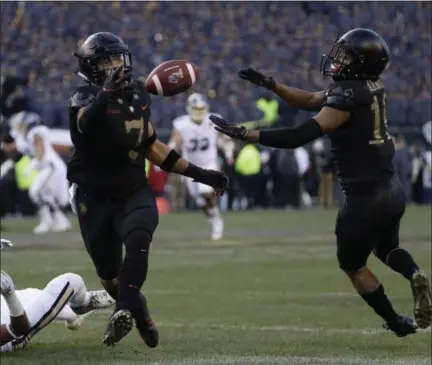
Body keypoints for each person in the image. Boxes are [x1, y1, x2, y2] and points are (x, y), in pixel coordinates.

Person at [210, 28, 432, 336]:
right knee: (387, 249)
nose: (338, 60)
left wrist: (246, 134)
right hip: (392, 190)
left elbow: (301, 135)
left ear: (361, 62)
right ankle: (415, 273)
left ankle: (396, 322)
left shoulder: (347, 97)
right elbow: (314, 99)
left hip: (363, 197)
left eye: (347, 56)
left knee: (353, 265)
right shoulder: (372, 85)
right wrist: (272, 85)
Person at [68, 32, 228, 347]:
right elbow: (85, 125)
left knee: (139, 237)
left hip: (131, 189)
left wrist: (201, 173)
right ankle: (139, 315)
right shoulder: (82, 97)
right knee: (111, 278)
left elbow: (152, 146)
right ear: (93, 66)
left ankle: (124, 310)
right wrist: (107, 95)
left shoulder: (138, 96)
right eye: (108, 60)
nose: (117, 64)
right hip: (93, 196)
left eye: (119, 58)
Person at [0, 238, 114, 353]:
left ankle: (73, 313)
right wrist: (9, 294)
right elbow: (19, 329)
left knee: (32, 293)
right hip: (12, 334)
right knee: (71, 281)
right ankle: (83, 304)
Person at [168, 93, 234, 240]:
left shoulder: (213, 119)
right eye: (196, 109)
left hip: (209, 163)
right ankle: (212, 217)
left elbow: (226, 138)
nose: (199, 112)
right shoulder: (181, 124)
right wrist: (169, 153)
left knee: (206, 192)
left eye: (201, 109)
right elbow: (175, 141)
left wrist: (229, 154)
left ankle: (216, 219)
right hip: (190, 167)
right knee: (199, 200)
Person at [6, 111, 72, 233]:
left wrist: (32, 165)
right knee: (44, 195)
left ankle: (51, 222)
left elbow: (39, 149)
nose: (19, 126)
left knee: (36, 192)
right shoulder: (23, 137)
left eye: (22, 123)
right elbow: (14, 148)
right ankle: (57, 221)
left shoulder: (36, 133)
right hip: (46, 167)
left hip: (51, 167)